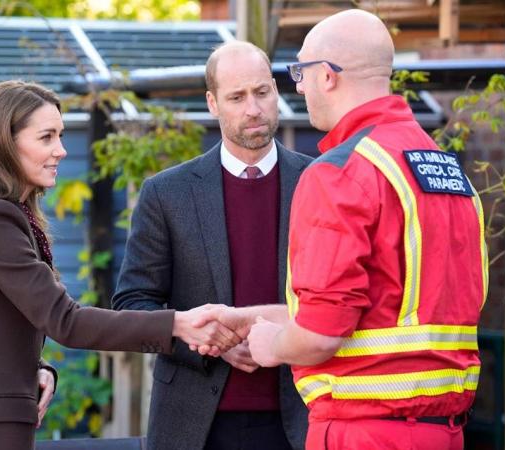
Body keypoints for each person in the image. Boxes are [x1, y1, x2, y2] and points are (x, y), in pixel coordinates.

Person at [196, 9, 488, 450]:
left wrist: (272, 344)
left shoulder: (340, 172)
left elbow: (320, 334)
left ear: (327, 76)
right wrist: (248, 317)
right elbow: (383, 312)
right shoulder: (443, 168)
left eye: (301, 72)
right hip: (442, 429)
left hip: (364, 428)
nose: (298, 86)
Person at [0, 80, 240, 450]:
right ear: (5, 144)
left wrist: (36, 369)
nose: (61, 150)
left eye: (61, 136)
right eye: (46, 137)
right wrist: (178, 324)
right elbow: (66, 322)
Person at [112, 41, 312, 450]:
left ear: (276, 92)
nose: (253, 108)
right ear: (212, 103)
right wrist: (212, 344)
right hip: (194, 422)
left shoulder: (318, 182)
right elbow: (133, 304)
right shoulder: (166, 193)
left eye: (261, 92)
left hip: (301, 414)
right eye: (236, 97)